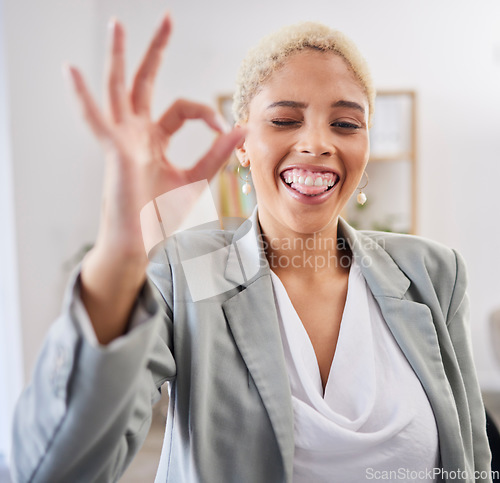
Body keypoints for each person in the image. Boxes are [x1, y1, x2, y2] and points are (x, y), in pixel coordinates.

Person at [11, 12, 492, 483]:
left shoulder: (433, 273)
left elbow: (472, 458)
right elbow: (57, 469)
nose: (317, 143)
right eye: (285, 119)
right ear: (242, 142)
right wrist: (119, 255)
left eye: (345, 124)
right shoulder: (192, 271)